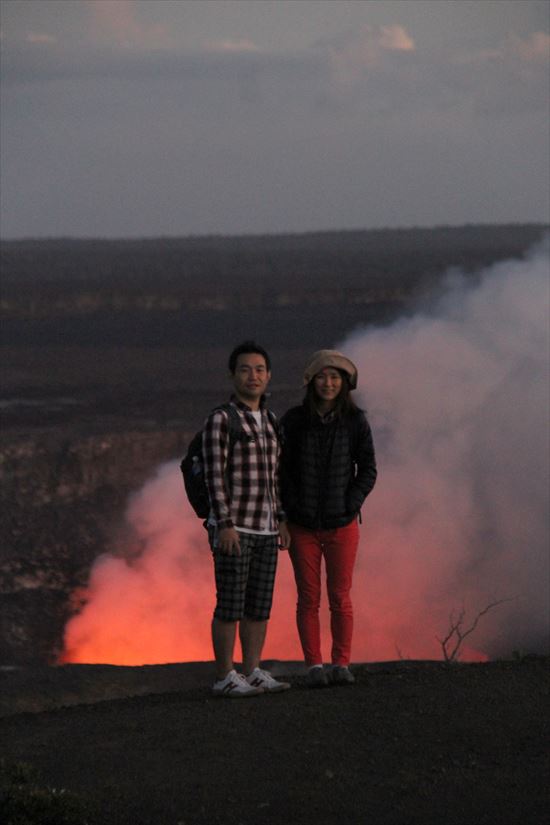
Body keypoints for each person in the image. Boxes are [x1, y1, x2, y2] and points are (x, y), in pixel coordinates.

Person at [280, 350, 377, 687]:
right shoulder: (293, 422)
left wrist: (350, 503)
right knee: (308, 598)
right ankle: (314, 666)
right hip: (302, 525)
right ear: (312, 381)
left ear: (345, 383)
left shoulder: (355, 422)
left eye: (335, 377)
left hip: (342, 525)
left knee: (340, 597)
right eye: (323, 376)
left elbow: (368, 469)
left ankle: (341, 663)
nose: (329, 383)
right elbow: (280, 471)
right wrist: (287, 513)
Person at [202, 340, 291, 697]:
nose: (252, 376)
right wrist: (224, 524)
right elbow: (213, 476)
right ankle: (225, 675)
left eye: (259, 370)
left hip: (267, 528)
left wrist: (281, 520)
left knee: (258, 604)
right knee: (230, 604)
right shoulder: (221, 420)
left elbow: (276, 477)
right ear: (232, 375)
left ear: (268, 376)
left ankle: (252, 670)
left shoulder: (270, 420)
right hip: (235, 528)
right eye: (244, 369)